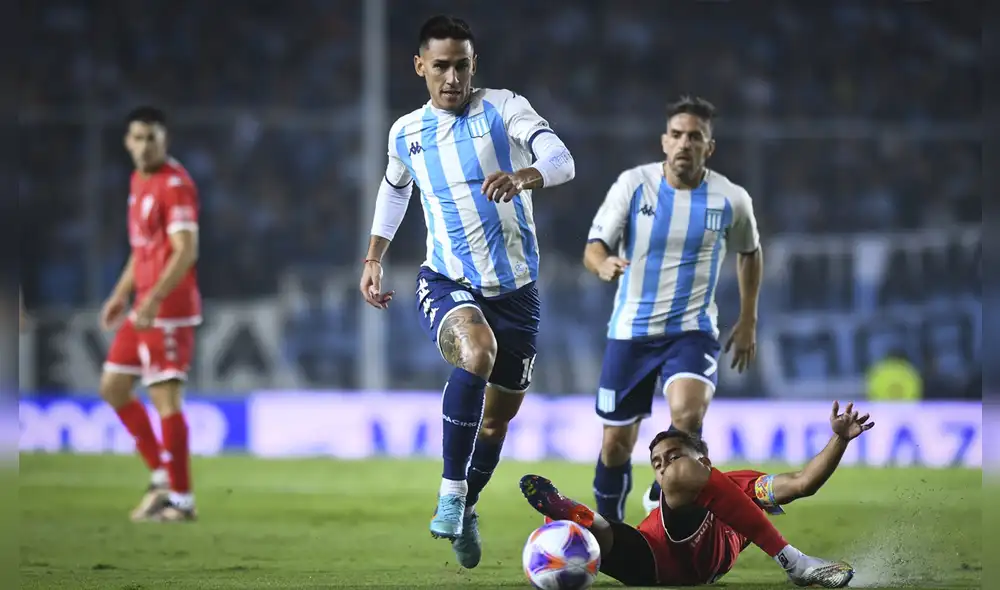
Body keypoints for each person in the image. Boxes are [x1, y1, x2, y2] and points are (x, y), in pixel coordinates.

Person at [358, 15, 575, 568]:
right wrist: (374, 258)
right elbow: (394, 191)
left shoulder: (504, 108)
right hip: (448, 279)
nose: (451, 78)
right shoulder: (406, 132)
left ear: (473, 65)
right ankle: (452, 492)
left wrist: (523, 176)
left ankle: (467, 506)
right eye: (440, 67)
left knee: (498, 420)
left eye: (461, 65)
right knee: (477, 352)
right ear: (419, 67)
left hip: (517, 292)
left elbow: (562, 160)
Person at [583, 96, 762, 521]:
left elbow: (750, 252)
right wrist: (603, 264)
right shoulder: (633, 185)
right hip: (630, 331)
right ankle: (609, 528)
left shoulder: (730, 199)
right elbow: (593, 247)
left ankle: (669, 497)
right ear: (664, 141)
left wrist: (749, 317)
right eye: (677, 135)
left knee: (687, 412)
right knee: (615, 446)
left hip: (692, 329)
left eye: (695, 137)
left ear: (709, 147)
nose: (684, 143)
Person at [521, 401, 872, 588]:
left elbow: (802, 483)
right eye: (656, 462)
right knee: (604, 533)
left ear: (704, 459)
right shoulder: (677, 484)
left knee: (679, 480)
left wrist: (839, 439)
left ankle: (794, 561)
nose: (663, 465)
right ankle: (573, 514)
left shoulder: (742, 485)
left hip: (682, 563)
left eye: (672, 456)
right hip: (654, 558)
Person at [99, 106, 202, 523]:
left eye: (152, 138)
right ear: (127, 141)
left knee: (165, 399)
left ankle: (181, 500)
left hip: (168, 309)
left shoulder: (174, 185)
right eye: (137, 138)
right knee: (114, 386)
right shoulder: (138, 181)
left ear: (165, 140)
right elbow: (142, 249)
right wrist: (120, 294)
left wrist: (155, 299)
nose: (144, 146)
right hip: (143, 304)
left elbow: (185, 251)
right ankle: (161, 475)